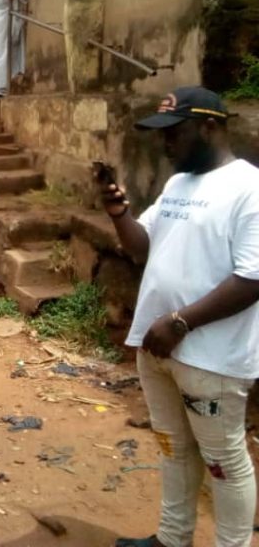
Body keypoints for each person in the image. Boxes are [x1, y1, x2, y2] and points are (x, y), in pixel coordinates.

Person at [99, 87, 259, 547]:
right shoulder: (177, 184)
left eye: (175, 133)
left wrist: (181, 322)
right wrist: (119, 214)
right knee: (172, 447)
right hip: (159, 348)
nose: (165, 144)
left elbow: (252, 278)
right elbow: (142, 247)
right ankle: (173, 539)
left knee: (223, 462)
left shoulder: (248, 189)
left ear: (210, 127)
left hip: (210, 359)